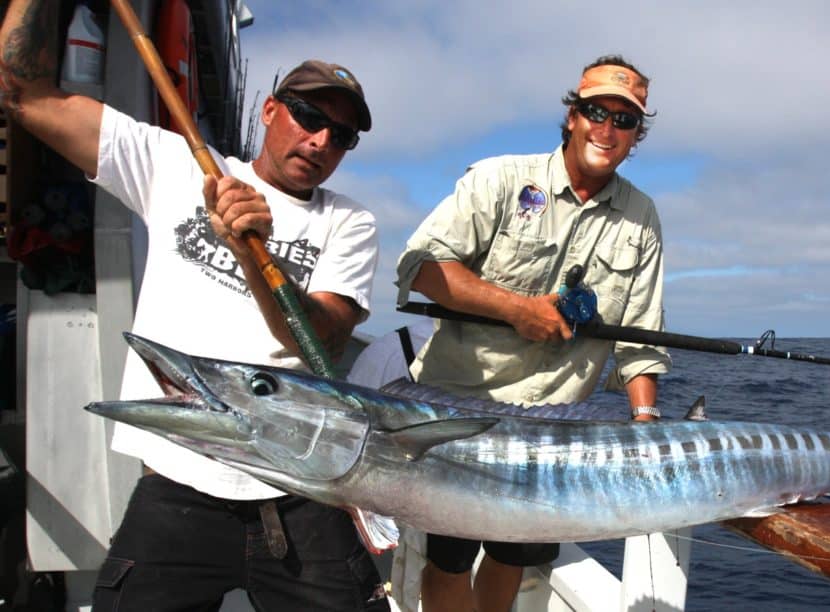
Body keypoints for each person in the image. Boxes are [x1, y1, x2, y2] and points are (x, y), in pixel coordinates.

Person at [0, 2, 387, 609]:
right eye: (309, 115)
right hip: (178, 488)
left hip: (299, 488)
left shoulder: (350, 222)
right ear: (269, 109)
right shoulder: (175, 167)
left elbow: (322, 344)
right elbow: (26, 95)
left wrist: (258, 255)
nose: (320, 140)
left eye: (341, 135)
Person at [395, 54, 672, 612]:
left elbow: (640, 340)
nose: (608, 128)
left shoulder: (642, 217)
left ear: (637, 135)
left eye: (625, 120)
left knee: (514, 555)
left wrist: (646, 422)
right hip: (464, 413)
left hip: (556, 423)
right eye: (597, 111)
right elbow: (420, 268)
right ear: (572, 116)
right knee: (448, 556)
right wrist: (517, 309)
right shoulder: (500, 178)